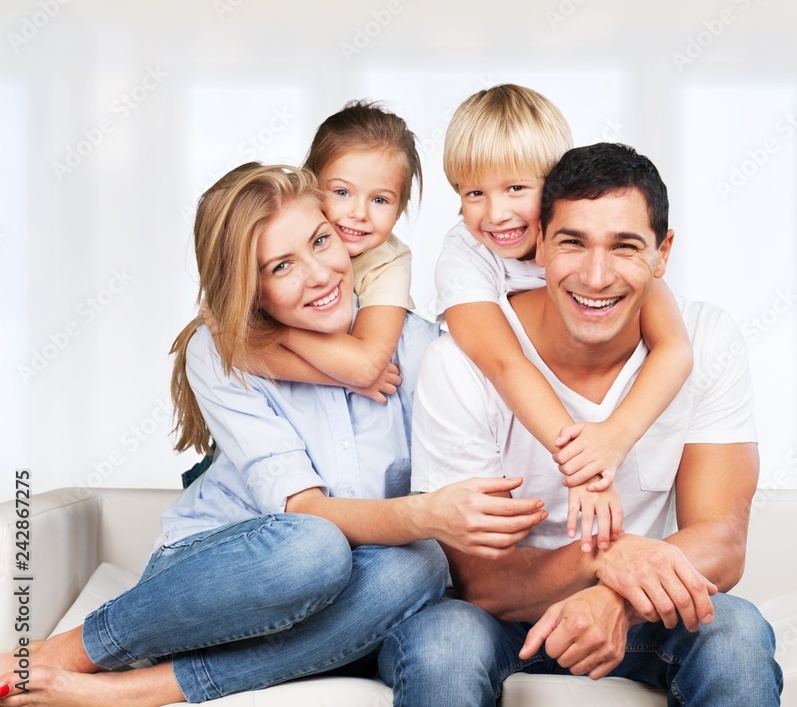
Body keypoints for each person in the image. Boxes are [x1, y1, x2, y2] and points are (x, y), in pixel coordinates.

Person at [0, 164, 546, 706]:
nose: (321, 275)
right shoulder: (221, 354)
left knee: (421, 565)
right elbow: (305, 512)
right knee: (313, 546)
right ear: (250, 289)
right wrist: (424, 514)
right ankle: (72, 652)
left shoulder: (420, 347)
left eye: (321, 241)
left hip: (357, 600)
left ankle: (137, 692)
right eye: (282, 266)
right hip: (224, 578)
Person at [379, 143, 783, 706]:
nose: (596, 276)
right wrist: (599, 557)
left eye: (625, 247)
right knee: (443, 641)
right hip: (502, 618)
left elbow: (723, 541)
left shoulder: (706, 338)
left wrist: (614, 597)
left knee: (734, 632)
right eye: (573, 242)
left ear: (663, 253)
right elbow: (482, 583)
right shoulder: (460, 362)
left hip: (637, 608)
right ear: (539, 242)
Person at [435, 85, 694, 551]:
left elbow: (674, 349)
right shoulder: (466, 254)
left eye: (516, 188)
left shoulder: (602, 245)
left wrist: (613, 439)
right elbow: (503, 363)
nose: (496, 214)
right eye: (473, 192)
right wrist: (581, 467)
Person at [203, 100, 422, 402]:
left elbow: (366, 366)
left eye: (380, 200)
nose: (359, 213)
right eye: (342, 192)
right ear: (312, 186)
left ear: (399, 210)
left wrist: (273, 330)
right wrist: (344, 381)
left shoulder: (389, 263)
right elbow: (238, 353)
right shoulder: (279, 227)